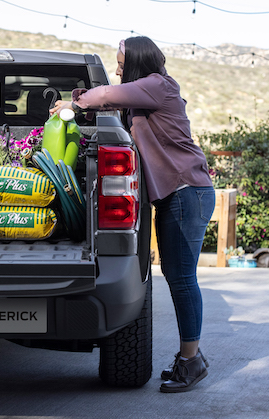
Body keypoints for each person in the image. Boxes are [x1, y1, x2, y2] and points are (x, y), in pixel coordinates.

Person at [50, 36, 215, 393]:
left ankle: (192, 360)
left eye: (122, 61)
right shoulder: (144, 98)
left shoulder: (159, 86)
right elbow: (110, 107)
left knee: (183, 278)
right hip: (176, 195)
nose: (118, 67)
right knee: (176, 275)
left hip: (188, 192)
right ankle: (190, 357)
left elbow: (106, 94)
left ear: (139, 60)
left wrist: (74, 102)